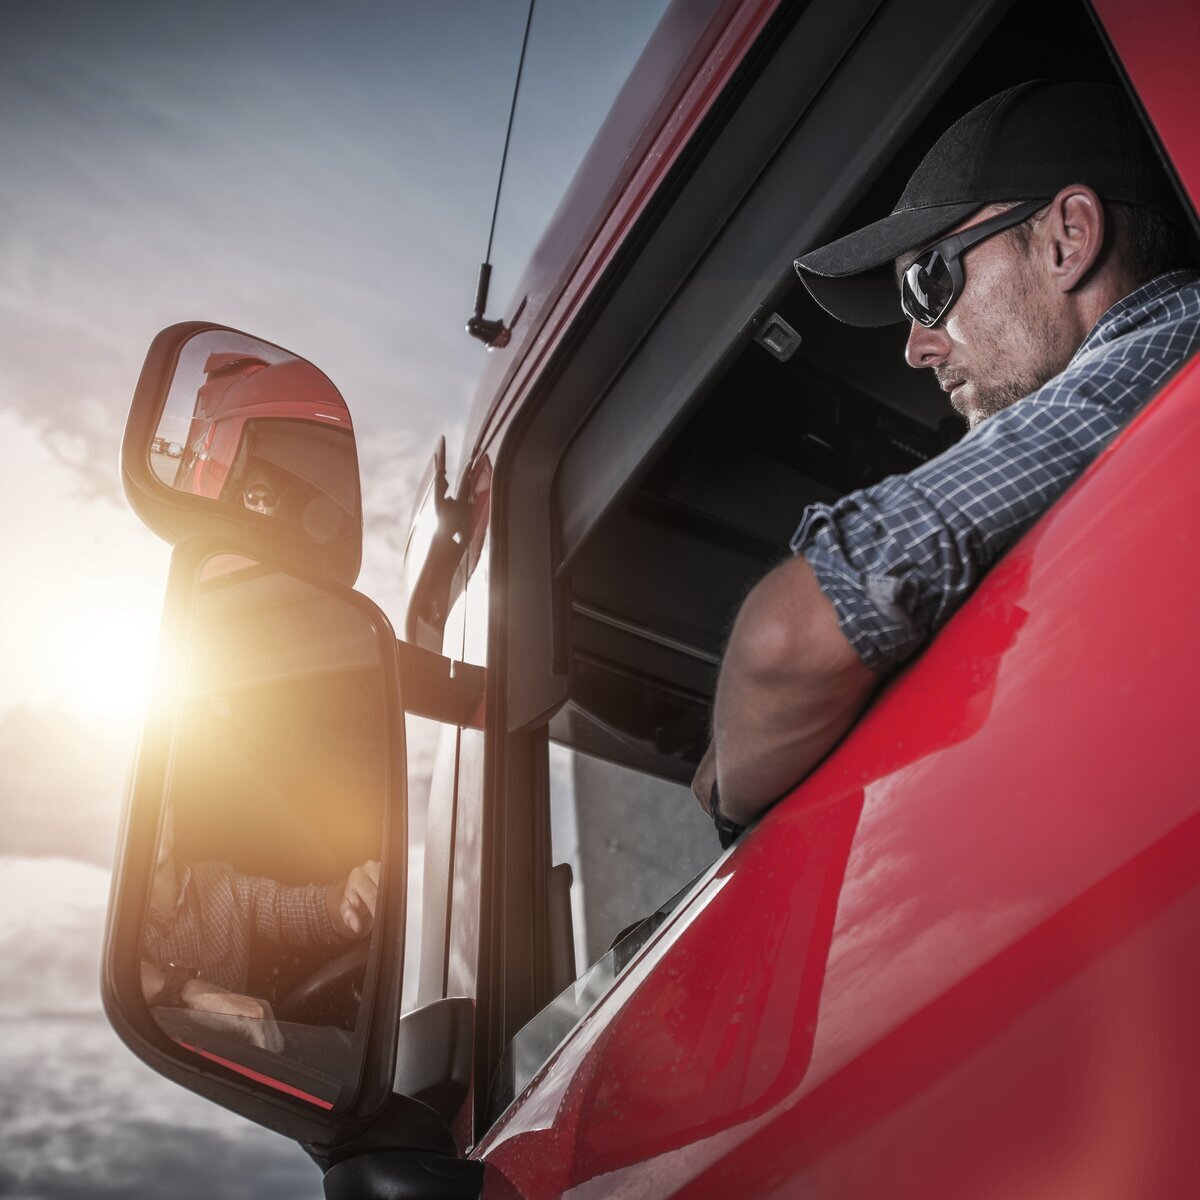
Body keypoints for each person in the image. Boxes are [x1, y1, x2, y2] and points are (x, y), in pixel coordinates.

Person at [693, 79, 1200, 840]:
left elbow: (787, 639)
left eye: (931, 283)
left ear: (1068, 238)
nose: (915, 347)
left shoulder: (1156, 351)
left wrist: (725, 794)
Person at [140, 805, 379, 1051]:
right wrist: (184, 990)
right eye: (136, 806)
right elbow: (120, 975)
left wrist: (354, 897)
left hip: (245, 1070)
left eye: (158, 801)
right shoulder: (103, 916)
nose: (149, 817)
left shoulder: (222, 885)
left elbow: (310, 910)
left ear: (172, 810)